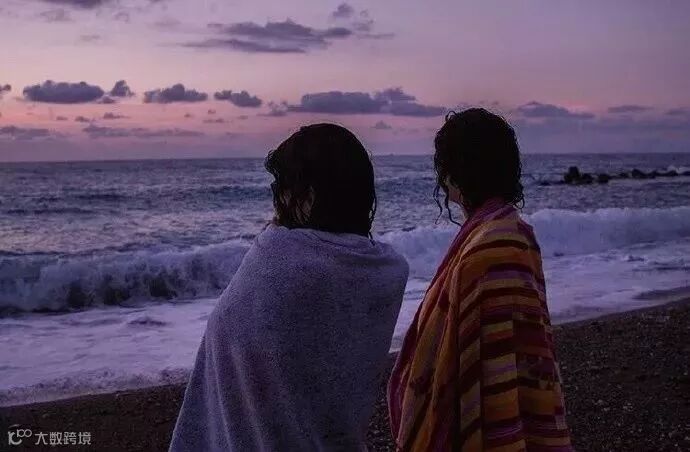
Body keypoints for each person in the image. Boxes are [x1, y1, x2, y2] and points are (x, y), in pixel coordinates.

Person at [170, 123, 409, 451]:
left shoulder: (280, 258)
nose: (278, 201)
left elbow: (234, 341)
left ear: (308, 196)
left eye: (283, 188)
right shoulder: (383, 270)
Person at [388, 109, 571, 451]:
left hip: (485, 412)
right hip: (519, 393)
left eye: (444, 165)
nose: (442, 178)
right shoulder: (514, 232)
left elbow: (461, 356)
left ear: (456, 173)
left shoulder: (486, 247)